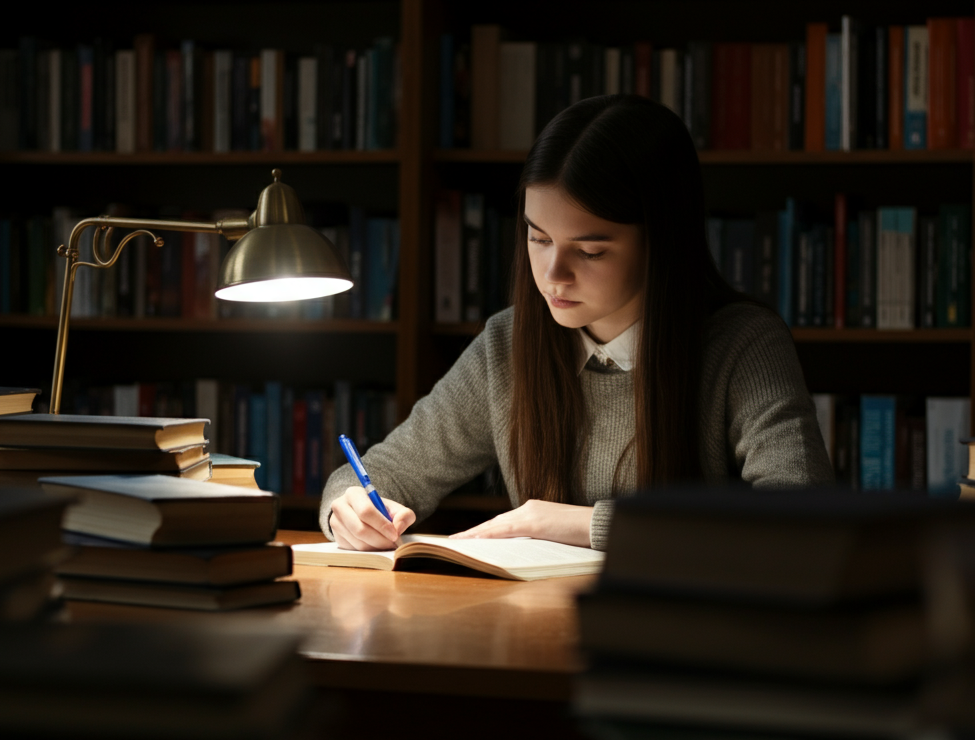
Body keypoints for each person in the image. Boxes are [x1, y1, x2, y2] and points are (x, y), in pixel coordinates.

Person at [320, 94, 833, 552]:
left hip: (688, 641)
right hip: (537, 633)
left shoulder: (742, 345)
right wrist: (350, 510)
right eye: (538, 238)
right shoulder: (508, 343)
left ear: (662, 243)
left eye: (589, 251)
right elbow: (378, 473)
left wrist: (582, 525)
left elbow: (804, 523)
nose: (551, 275)